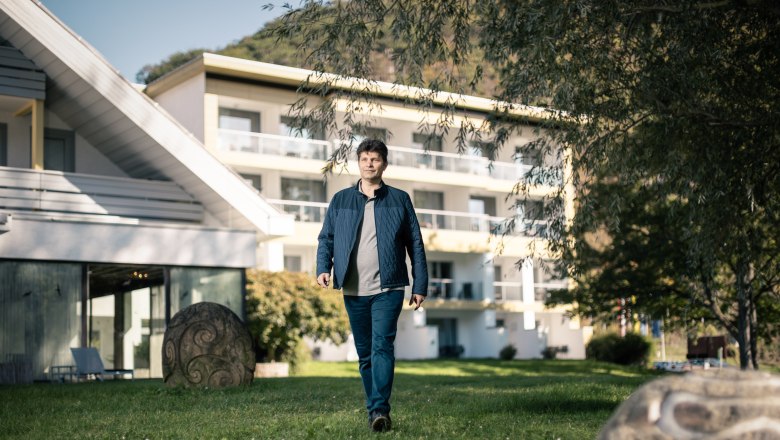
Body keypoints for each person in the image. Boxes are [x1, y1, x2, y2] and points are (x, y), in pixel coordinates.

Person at [316, 138, 428, 432]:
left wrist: (420, 284)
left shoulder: (399, 199)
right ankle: (374, 410)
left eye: (375, 159)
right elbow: (326, 237)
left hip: (388, 288)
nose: (369, 164)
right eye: (365, 159)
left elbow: (414, 243)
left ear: (384, 164)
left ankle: (379, 409)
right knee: (365, 354)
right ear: (359, 163)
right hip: (353, 288)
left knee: (382, 347)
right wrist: (322, 268)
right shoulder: (341, 200)